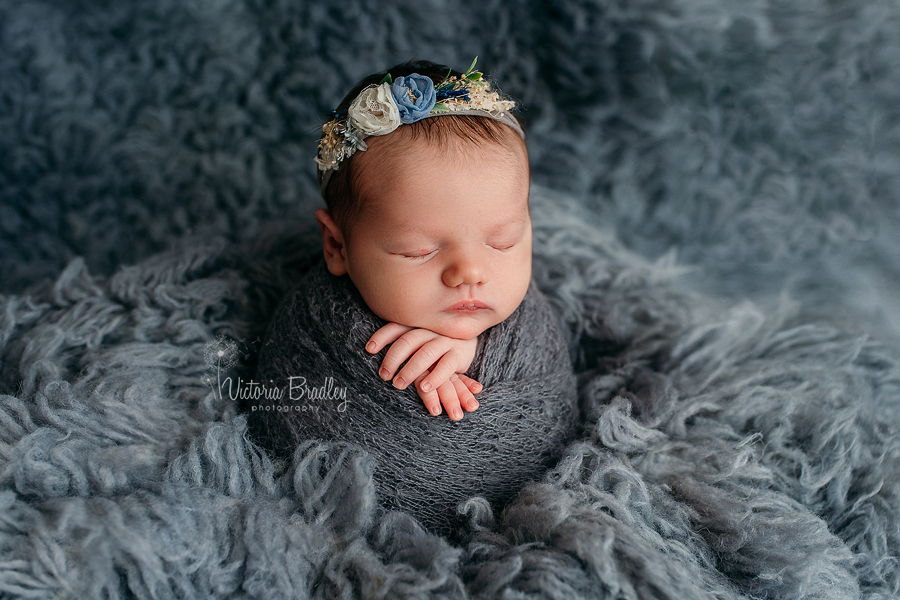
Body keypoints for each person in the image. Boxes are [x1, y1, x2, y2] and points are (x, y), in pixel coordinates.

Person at [313, 58, 532, 421]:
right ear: (337, 246)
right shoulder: (319, 332)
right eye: (420, 251)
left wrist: (474, 352)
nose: (470, 272)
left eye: (503, 242)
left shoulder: (533, 322)